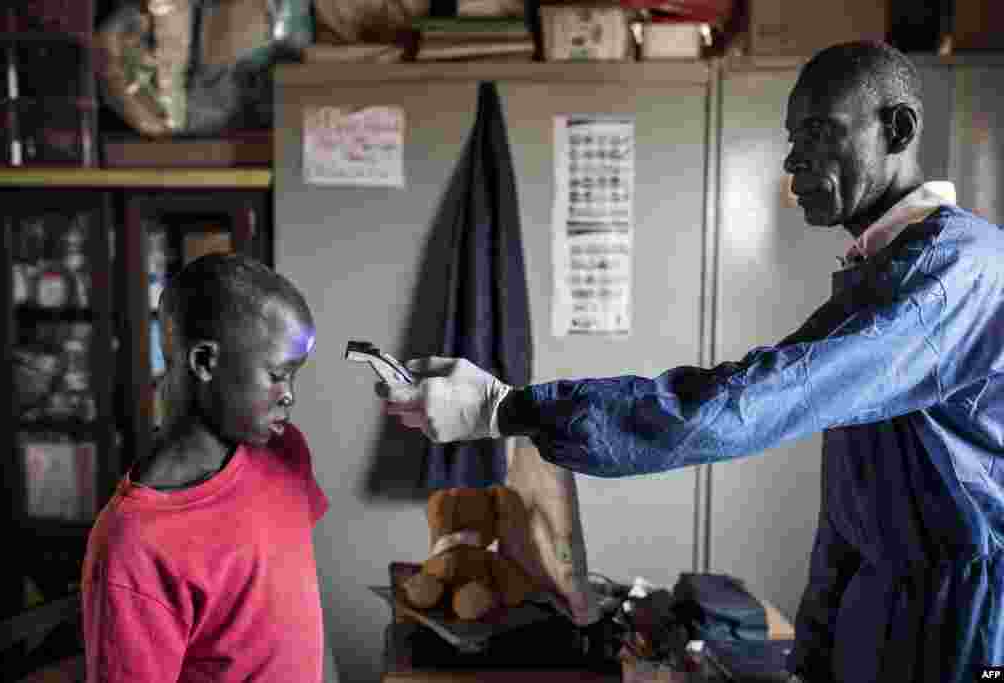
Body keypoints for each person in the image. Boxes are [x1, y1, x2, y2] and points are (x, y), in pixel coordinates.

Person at [380, 41, 1003, 683]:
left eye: (818, 131)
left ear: (895, 129)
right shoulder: (883, 271)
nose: (794, 160)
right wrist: (814, 652)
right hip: (882, 612)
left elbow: (745, 401)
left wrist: (506, 408)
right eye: (792, 138)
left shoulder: (954, 272)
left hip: (962, 624)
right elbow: (853, 501)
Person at [81, 254, 327, 682]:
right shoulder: (134, 544)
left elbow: (299, 615)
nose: (289, 395)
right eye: (277, 375)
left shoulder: (286, 453)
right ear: (205, 362)